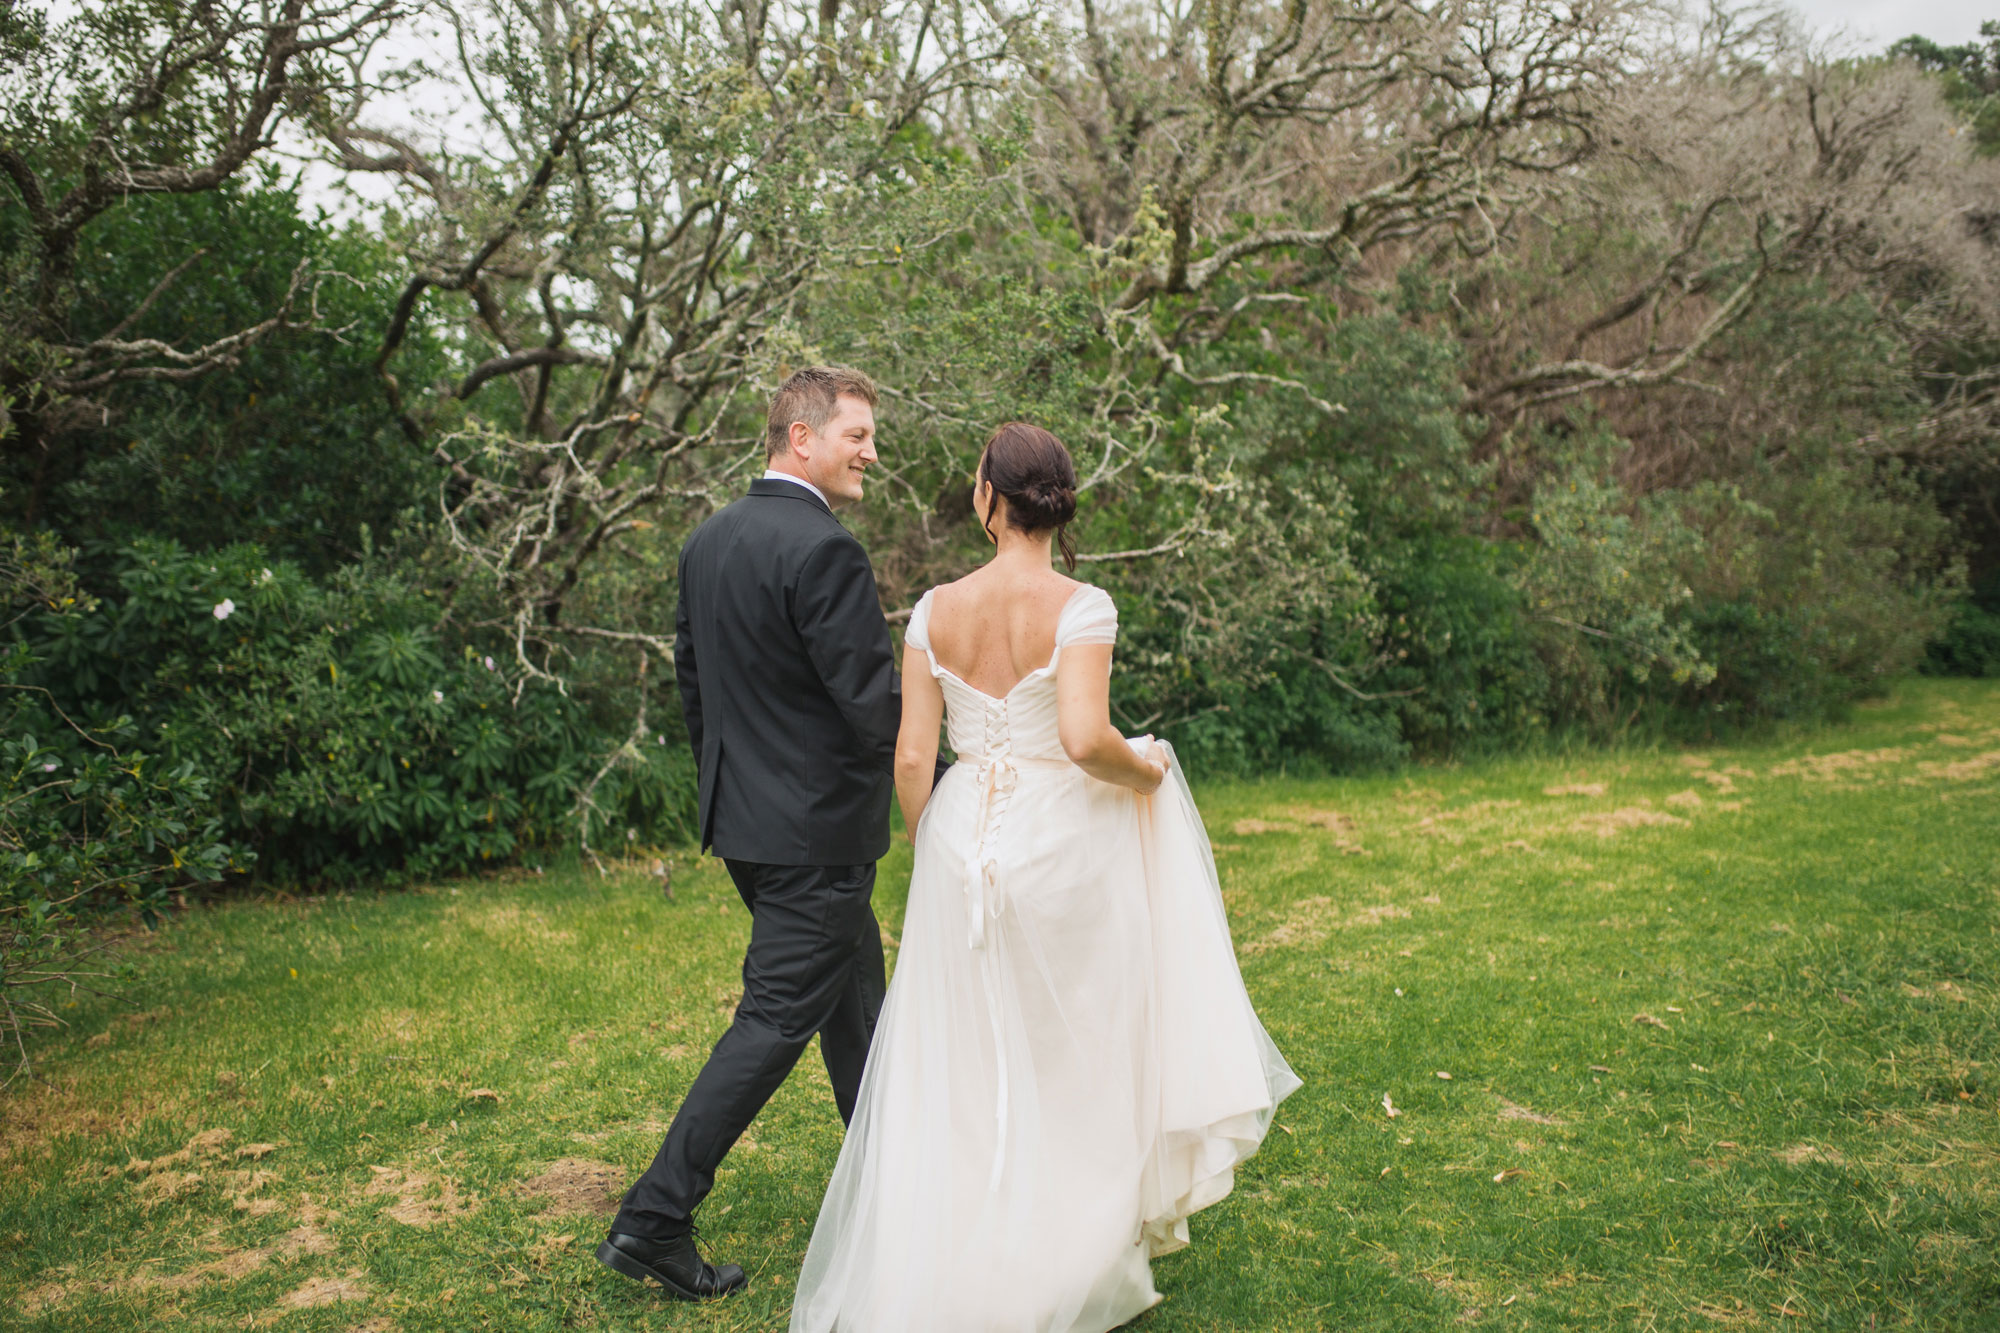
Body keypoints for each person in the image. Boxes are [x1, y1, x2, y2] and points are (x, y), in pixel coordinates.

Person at [788, 422, 1302, 1333]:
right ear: (1055, 502)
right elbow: (1082, 739)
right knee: (1071, 1042)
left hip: (958, 847)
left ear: (989, 498)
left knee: (964, 1052)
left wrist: (930, 837)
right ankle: (1066, 1246)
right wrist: (1150, 768)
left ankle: (966, 1238)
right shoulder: (1082, 602)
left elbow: (913, 754)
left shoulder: (934, 607)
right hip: (1058, 845)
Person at [598, 365, 930, 1300]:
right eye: (857, 435)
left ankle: (895, 1187)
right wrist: (966, 762)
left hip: (747, 826)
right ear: (801, 438)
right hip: (816, 838)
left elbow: (695, 691)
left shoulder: (708, 542)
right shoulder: (826, 551)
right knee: (777, 1019)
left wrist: (733, 795)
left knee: (854, 1006)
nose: (871, 452)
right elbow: (871, 708)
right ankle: (654, 1216)